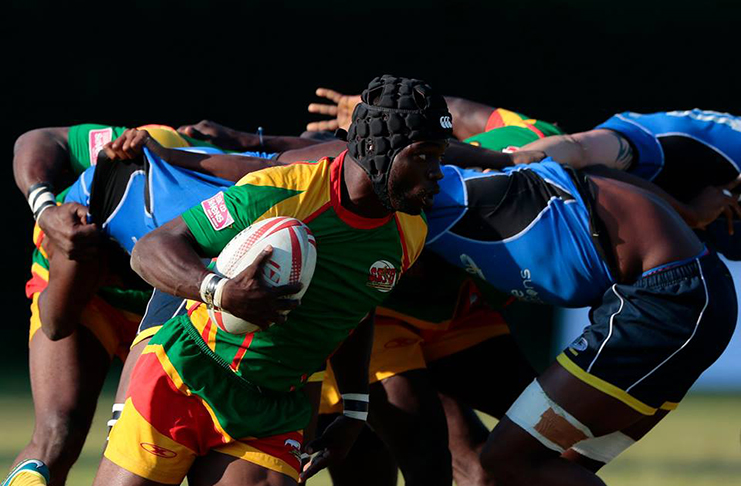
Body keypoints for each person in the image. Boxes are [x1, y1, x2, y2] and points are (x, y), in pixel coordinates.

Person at [95, 75, 446, 486]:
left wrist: (354, 411)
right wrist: (221, 291)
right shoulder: (282, 192)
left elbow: (356, 307)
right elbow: (152, 249)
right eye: (424, 157)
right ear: (375, 148)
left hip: (275, 408)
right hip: (188, 375)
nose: (438, 173)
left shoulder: (410, 232)